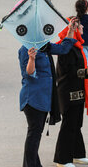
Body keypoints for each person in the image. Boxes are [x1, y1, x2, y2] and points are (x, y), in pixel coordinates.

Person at [18, 19, 78, 167]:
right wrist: (32, 58)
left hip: (44, 98)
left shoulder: (44, 46)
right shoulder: (25, 49)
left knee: (35, 135)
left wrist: (70, 30)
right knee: (34, 135)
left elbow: (63, 49)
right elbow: (28, 74)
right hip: (33, 99)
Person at [53, 18, 88, 167]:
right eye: (79, 25)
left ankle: (77, 154)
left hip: (78, 91)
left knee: (76, 125)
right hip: (68, 93)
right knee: (68, 125)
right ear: (73, 29)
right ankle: (63, 159)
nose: (82, 26)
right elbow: (66, 72)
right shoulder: (67, 48)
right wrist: (85, 71)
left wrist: (86, 73)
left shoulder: (77, 46)